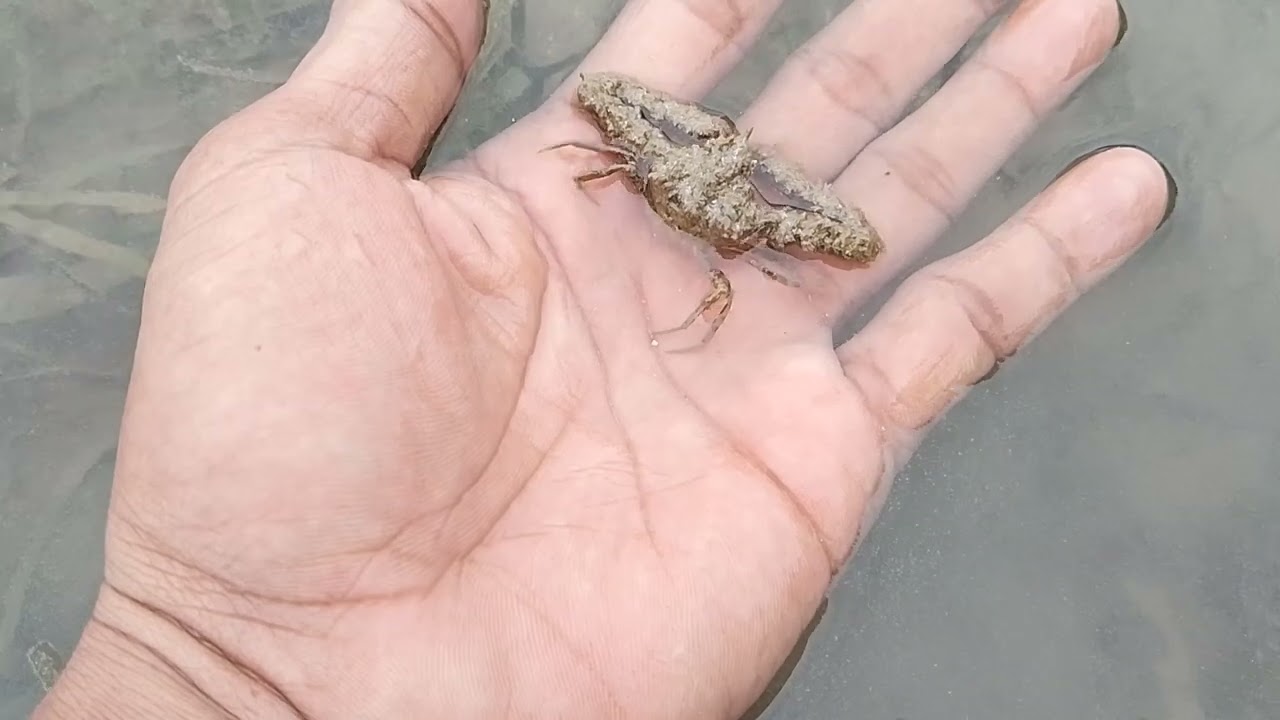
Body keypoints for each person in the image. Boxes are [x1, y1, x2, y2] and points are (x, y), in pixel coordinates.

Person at [33, 0, 1171, 717]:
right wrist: (209, 658)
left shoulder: (694, 191)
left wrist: (210, 669)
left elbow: (738, 198)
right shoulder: (649, 167)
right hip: (685, 174)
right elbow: (637, 146)